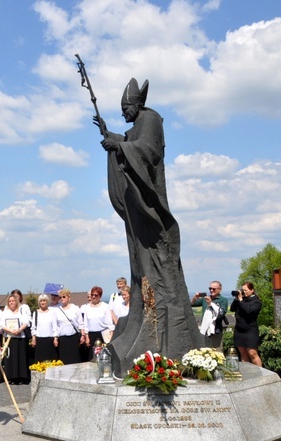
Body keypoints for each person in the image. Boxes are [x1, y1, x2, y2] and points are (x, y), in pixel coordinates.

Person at [95, 77, 204, 374]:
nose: (123, 114)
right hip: (139, 208)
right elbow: (131, 142)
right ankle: (143, 320)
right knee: (140, 264)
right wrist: (112, 135)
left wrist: (119, 144)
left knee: (158, 264)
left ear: (136, 104)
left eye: (125, 109)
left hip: (152, 207)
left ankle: (168, 338)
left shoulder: (152, 119)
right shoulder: (140, 122)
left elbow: (148, 151)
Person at [0, 293, 31, 384]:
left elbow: (26, 322)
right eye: (10, 301)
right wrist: (11, 331)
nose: (11, 302)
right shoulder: (5, 312)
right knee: (11, 358)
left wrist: (19, 330)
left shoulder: (21, 311)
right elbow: (2, 325)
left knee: (21, 357)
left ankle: (22, 377)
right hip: (10, 338)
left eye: (13, 301)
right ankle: (12, 378)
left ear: (16, 301)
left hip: (20, 336)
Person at [230, 282, 262, 366]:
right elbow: (232, 308)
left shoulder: (256, 302)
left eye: (245, 290)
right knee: (243, 354)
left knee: (252, 353)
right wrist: (237, 298)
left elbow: (248, 311)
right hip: (239, 330)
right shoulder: (241, 299)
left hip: (250, 330)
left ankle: (260, 374)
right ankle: (247, 374)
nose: (243, 292)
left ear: (252, 290)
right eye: (242, 290)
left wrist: (240, 300)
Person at [191, 281, 229, 348]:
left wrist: (211, 303)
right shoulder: (205, 299)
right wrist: (195, 297)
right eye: (210, 288)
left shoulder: (223, 300)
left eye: (214, 289)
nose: (211, 290)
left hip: (216, 330)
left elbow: (222, 313)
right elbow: (191, 304)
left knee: (217, 352)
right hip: (204, 330)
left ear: (220, 289)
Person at [82, 286, 112, 360]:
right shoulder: (87, 308)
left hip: (104, 334)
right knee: (93, 357)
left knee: (104, 357)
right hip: (91, 335)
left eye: (96, 295)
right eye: (92, 295)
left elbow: (110, 323)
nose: (93, 297)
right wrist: (87, 336)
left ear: (100, 296)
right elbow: (85, 323)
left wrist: (111, 336)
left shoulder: (105, 306)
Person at [30, 294, 59, 363]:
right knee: (40, 362)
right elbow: (33, 327)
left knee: (51, 362)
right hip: (39, 341)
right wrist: (33, 339)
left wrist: (55, 338)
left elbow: (55, 327)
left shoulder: (52, 313)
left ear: (47, 302)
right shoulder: (36, 313)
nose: (43, 302)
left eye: (44, 301)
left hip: (50, 341)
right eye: (41, 301)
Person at [57, 289, 83, 365]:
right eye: (60, 297)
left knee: (74, 359)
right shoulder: (57, 310)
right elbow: (56, 325)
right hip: (62, 338)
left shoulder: (75, 308)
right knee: (64, 360)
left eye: (64, 297)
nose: (62, 299)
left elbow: (80, 323)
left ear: (69, 297)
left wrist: (83, 335)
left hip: (73, 337)